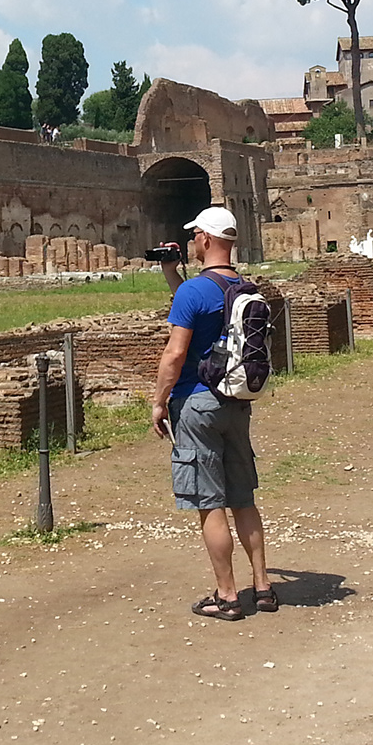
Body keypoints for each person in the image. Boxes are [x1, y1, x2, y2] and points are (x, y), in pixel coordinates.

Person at [150, 205, 274, 622]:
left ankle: (226, 595)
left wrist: (158, 400)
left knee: (210, 503)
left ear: (204, 239)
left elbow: (176, 352)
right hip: (237, 402)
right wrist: (172, 275)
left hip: (196, 404)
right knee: (243, 498)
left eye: (194, 235)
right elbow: (208, 310)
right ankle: (262, 586)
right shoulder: (243, 286)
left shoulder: (193, 293)